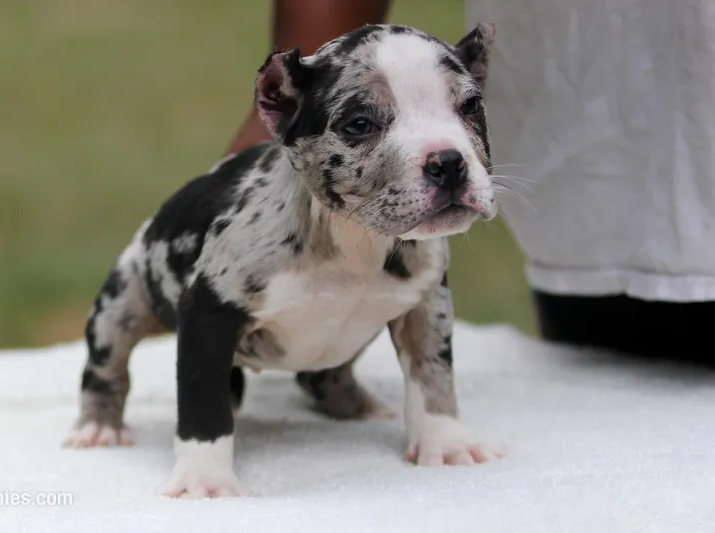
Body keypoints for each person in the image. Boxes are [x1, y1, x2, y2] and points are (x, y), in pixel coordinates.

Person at [227, 0, 715, 366]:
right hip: (594, 218)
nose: (445, 156)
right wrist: (299, 101)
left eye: (463, 108)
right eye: (363, 124)